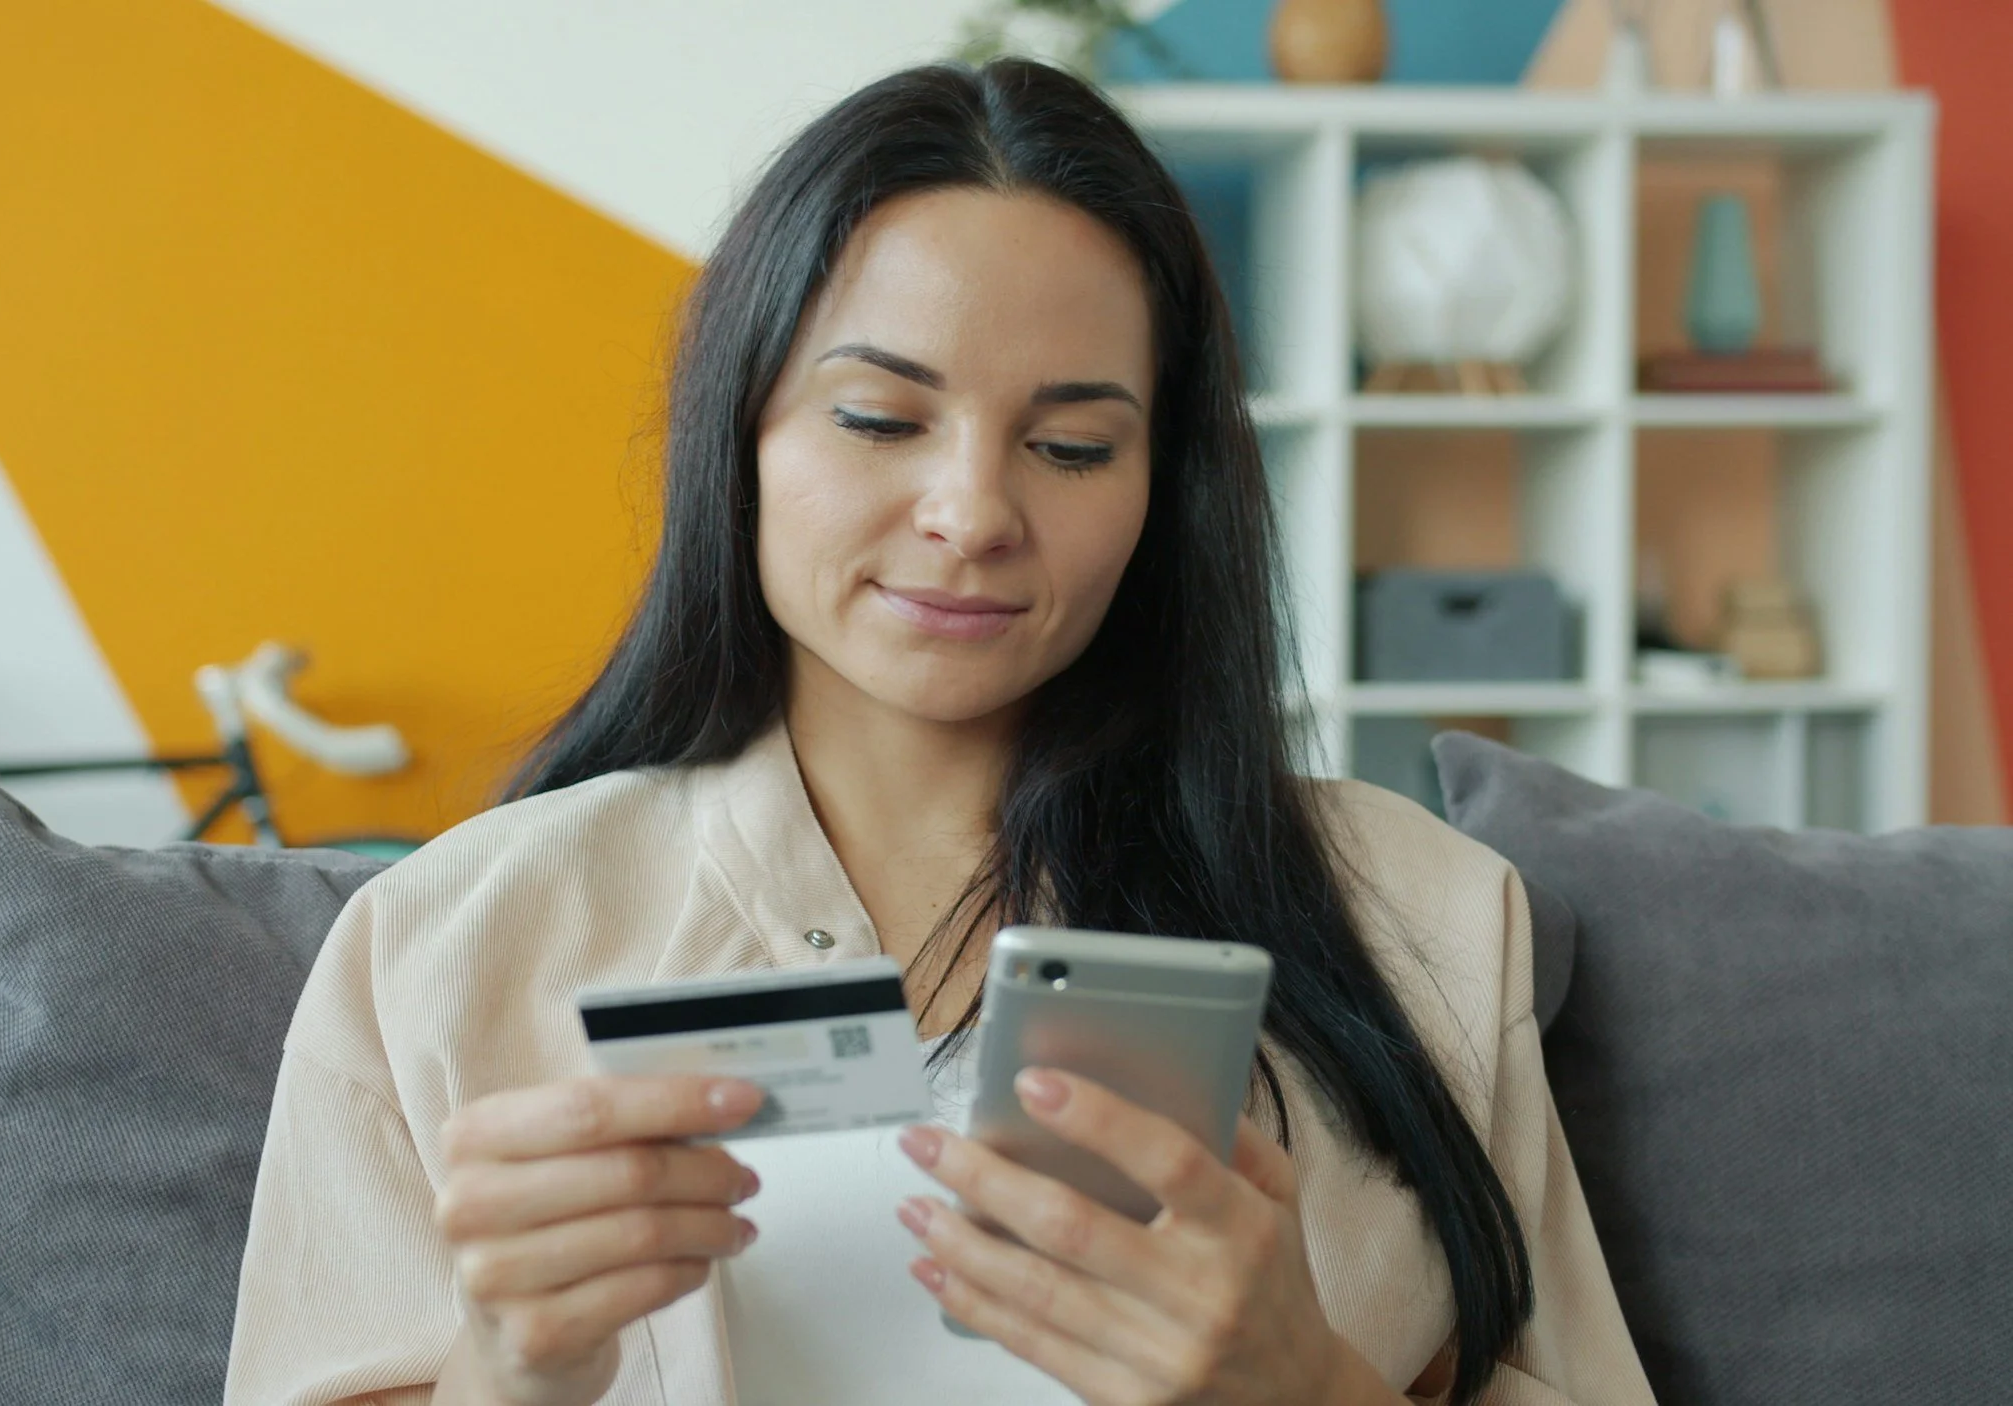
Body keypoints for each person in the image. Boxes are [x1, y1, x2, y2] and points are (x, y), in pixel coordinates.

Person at [225, 58, 1652, 1406]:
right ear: (741, 441)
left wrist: (1311, 1385)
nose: (971, 511)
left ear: (1167, 487)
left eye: (1073, 444)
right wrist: (506, 1369)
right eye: (876, 416)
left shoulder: (1431, 924)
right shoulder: (445, 949)